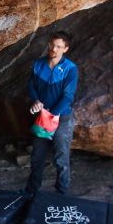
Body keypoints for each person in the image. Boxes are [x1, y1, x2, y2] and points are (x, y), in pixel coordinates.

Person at [25, 31, 78, 196]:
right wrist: (35, 101)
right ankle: (31, 192)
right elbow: (31, 86)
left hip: (61, 117)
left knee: (61, 157)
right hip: (43, 116)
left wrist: (52, 114)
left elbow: (68, 96)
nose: (53, 49)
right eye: (52, 45)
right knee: (37, 156)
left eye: (58, 46)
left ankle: (61, 193)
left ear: (65, 49)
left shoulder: (70, 69)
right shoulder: (38, 65)